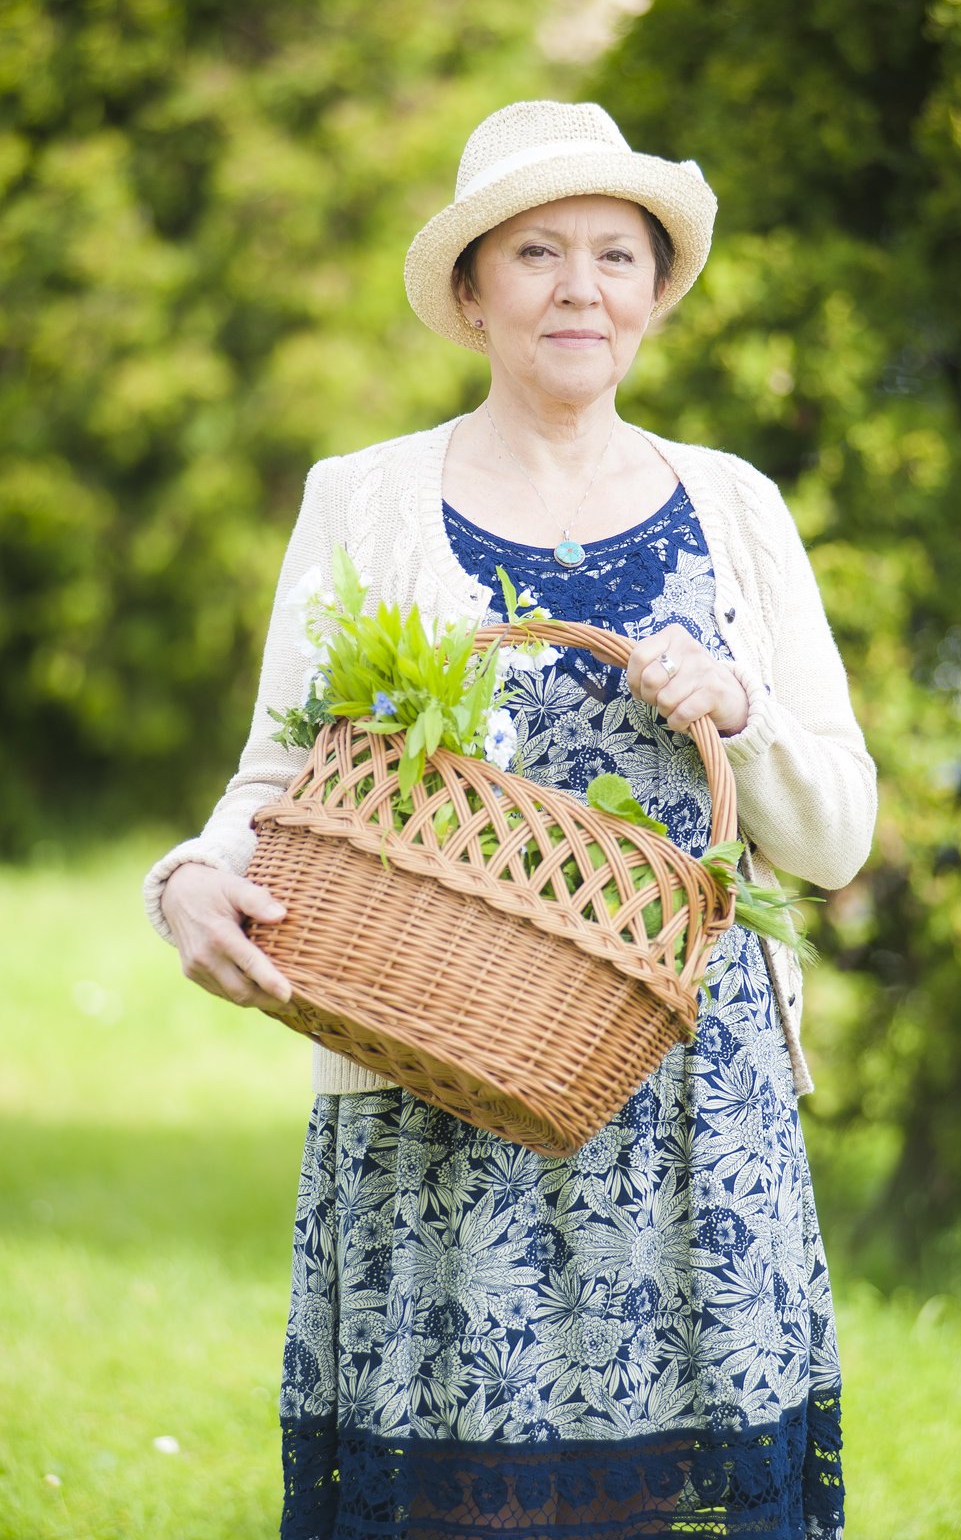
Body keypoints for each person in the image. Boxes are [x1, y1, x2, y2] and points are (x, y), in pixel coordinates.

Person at [145, 100, 875, 1539]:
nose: (580, 287)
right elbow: (274, 779)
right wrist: (187, 884)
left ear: (656, 294)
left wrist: (742, 705)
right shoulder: (364, 501)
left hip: (687, 1099)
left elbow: (839, 832)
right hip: (440, 1084)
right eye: (536, 251)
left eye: (617, 254)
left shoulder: (735, 507)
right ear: (473, 293)